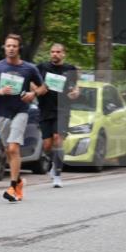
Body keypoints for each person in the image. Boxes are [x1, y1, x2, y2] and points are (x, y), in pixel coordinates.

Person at [0, 33, 46, 202]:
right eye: (8, 46)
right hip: (2, 113)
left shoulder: (29, 68)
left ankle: (12, 187)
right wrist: (0, 91)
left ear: (19, 48)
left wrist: (32, 94)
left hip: (21, 110)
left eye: (14, 46)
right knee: (8, 151)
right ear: (4, 48)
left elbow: (42, 89)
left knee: (13, 148)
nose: (11, 49)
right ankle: (18, 182)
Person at [35, 43, 80, 188]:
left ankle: (57, 175)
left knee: (57, 139)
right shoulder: (42, 67)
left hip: (63, 109)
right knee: (47, 145)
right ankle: (52, 161)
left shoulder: (70, 69)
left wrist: (75, 93)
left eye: (58, 52)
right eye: (53, 52)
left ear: (63, 54)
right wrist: (38, 90)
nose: (55, 54)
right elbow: (31, 83)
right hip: (45, 109)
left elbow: (76, 87)